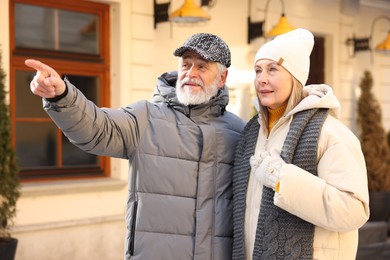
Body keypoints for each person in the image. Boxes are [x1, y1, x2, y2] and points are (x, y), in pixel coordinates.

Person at [25, 33, 245, 260]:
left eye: (202, 67)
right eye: (186, 64)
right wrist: (62, 96)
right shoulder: (146, 117)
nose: (191, 73)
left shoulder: (239, 132)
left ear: (222, 78)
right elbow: (98, 128)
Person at [232, 28, 369, 260]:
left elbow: (354, 210)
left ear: (294, 77)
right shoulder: (252, 134)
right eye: (258, 70)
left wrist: (281, 179)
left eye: (273, 69)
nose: (261, 79)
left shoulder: (329, 133)